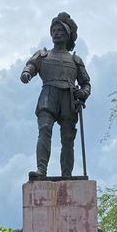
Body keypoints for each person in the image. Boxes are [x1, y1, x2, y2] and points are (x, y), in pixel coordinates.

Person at [21, 12, 91, 178]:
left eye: (60, 30)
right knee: (44, 129)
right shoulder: (43, 55)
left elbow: (86, 83)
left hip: (69, 97)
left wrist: (83, 93)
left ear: (68, 35)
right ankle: (41, 170)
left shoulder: (75, 60)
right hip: (48, 95)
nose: (56, 32)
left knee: (68, 138)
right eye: (54, 29)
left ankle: (67, 174)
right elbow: (30, 66)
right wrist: (27, 73)